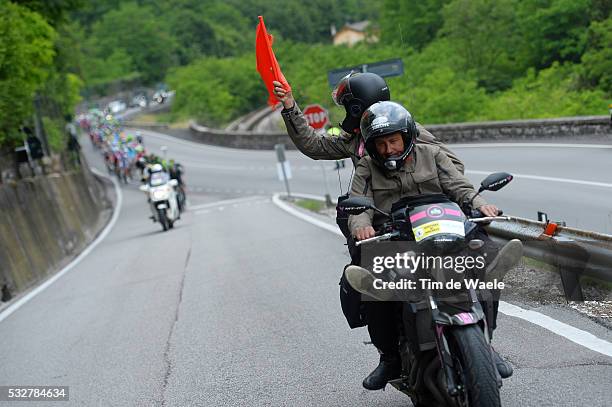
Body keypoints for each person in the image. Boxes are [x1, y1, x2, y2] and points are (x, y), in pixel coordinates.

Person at [346, 101, 521, 390]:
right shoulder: (366, 167)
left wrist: (481, 204)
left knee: (488, 261)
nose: (388, 149)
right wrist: (361, 225)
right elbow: (360, 206)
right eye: (381, 144)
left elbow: (460, 187)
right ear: (371, 146)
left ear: (407, 136)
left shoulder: (432, 153)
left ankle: (485, 342)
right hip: (397, 237)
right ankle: (389, 358)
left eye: (393, 140)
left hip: (443, 228)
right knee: (375, 290)